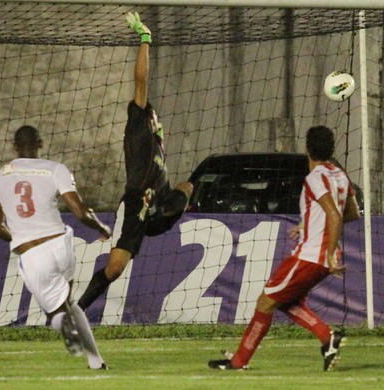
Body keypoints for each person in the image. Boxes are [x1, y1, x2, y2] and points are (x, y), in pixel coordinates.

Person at [208, 125, 360, 372]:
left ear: (307, 149)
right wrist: (310, 225)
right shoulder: (340, 175)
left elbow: (333, 215)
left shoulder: (314, 177)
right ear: (331, 149)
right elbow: (351, 213)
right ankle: (326, 336)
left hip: (311, 255)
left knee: (265, 302)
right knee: (288, 302)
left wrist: (328, 252)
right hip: (322, 255)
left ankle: (239, 362)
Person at [77, 12, 193, 311]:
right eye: (152, 115)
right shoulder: (139, 123)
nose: (154, 117)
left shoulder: (157, 141)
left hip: (158, 203)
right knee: (115, 269)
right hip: (135, 204)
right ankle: (76, 310)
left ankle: (167, 211)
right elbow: (140, 80)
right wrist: (145, 38)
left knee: (188, 187)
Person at [0, 125, 111, 369]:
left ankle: (62, 325)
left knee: (56, 314)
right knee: (70, 303)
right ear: (41, 144)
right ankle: (96, 361)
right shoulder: (56, 169)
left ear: (14, 147)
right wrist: (102, 228)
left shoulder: (0, 176)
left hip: (33, 253)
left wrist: (19, 236)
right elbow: (80, 211)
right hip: (62, 244)